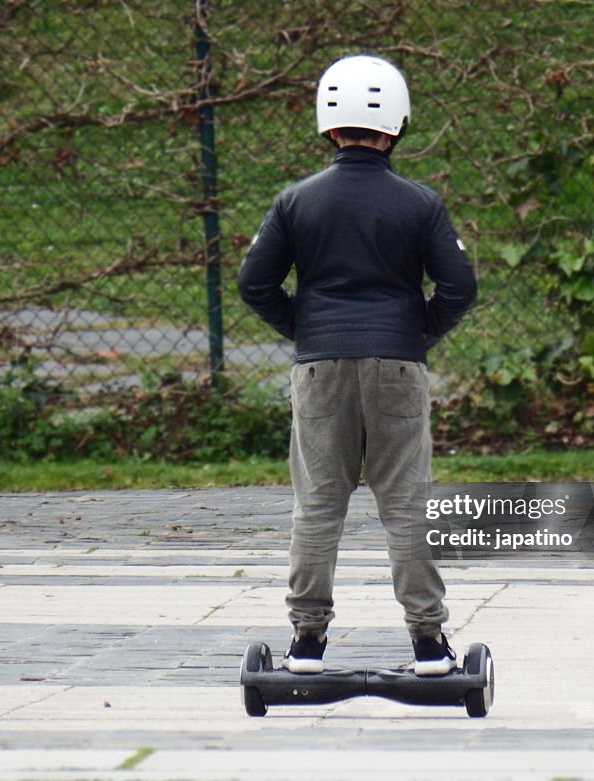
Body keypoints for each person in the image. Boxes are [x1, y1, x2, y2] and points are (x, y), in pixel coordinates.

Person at [238, 54, 477, 675]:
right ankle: (428, 644)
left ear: (326, 123)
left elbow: (254, 283)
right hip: (399, 365)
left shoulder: (295, 202)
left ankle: (306, 643)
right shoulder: (420, 204)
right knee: (406, 505)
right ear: (396, 123)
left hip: (319, 368)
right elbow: (459, 287)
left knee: (318, 505)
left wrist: (306, 329)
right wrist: (417, 331)